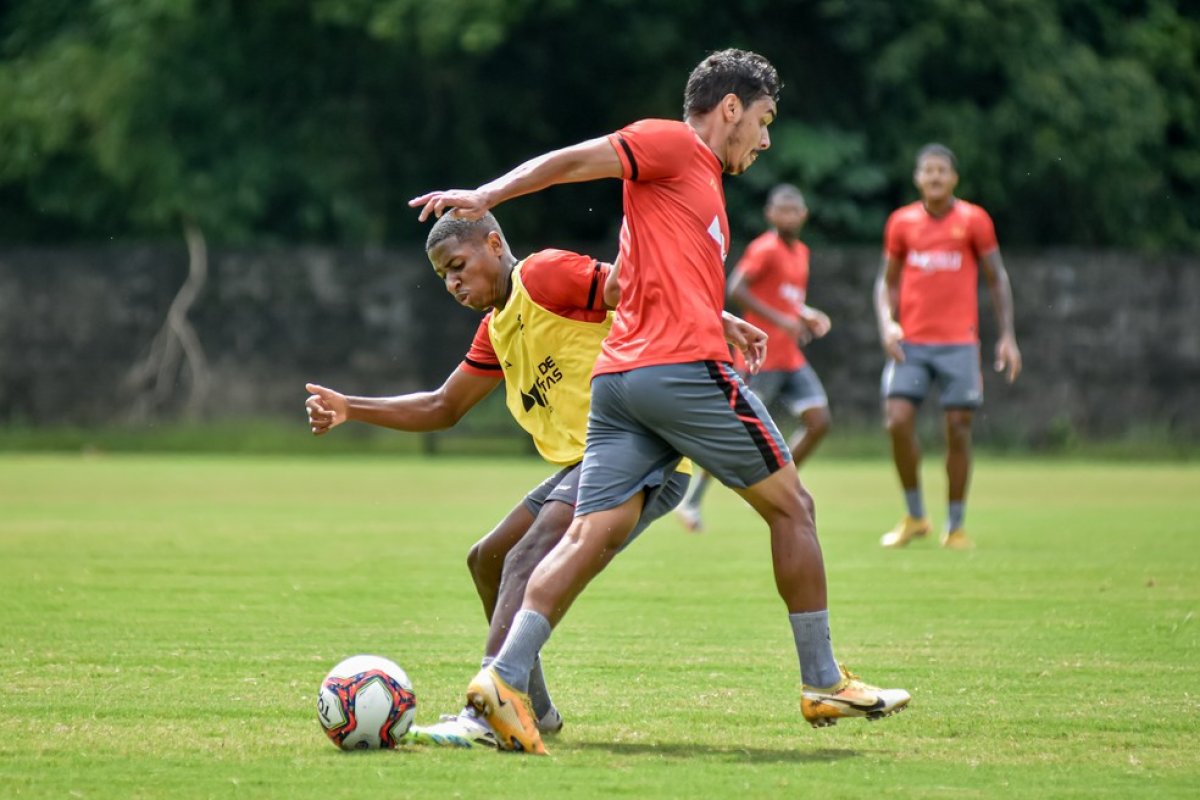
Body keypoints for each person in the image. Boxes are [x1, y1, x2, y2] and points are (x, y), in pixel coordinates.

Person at [410, 48, 910, 755]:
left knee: (587, 537)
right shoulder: (673, 143)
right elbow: (573, 161)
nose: (765, 140)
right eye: (763, 121)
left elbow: (642, 273)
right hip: (677, 371)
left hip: (620, 386)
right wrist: (489, 195)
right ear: (729, 107)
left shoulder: (694, 188)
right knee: (792, 506)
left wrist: (721, 315)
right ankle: (822, 678)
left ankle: (503, 679)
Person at [304, 211, 712, 747]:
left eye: (459, 265)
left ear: (494, 244)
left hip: (637, 450)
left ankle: (485, 709)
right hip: (586, 463)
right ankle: (533, 712)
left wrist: (709, 319)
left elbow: (630, 288)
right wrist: (351, 408)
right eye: (444, 276)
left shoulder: (542, 276)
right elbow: (444, 405)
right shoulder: (498, 327)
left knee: (526, 556)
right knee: (488, 558)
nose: (453, 282)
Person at [874, 143, 1022, 550]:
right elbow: (885, 281)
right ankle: (915, 516)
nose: (935, 177)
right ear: (917, 178)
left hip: (958, 343)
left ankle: (954, 525)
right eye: (928, 171)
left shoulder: (974, 220)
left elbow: (997, 277)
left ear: (954, 178)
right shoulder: (901, 223)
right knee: (897, 420)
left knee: (958, 428)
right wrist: (887, 324)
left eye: (942, 171)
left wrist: (1007, 335)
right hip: (912, 344)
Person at [676, 183, 832, 532]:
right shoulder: (765, 249)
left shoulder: (801, 252)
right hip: (758, 358)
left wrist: (804, 315)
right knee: (736, 432)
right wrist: (781, 320)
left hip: (790, 358)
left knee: (819, 420)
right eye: (783, 210)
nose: (790, 216)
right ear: (771, 215)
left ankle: (782, 488)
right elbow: (736, 288)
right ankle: (693, 501)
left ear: (804, 215)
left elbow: (786, 299)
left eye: (795, 210)